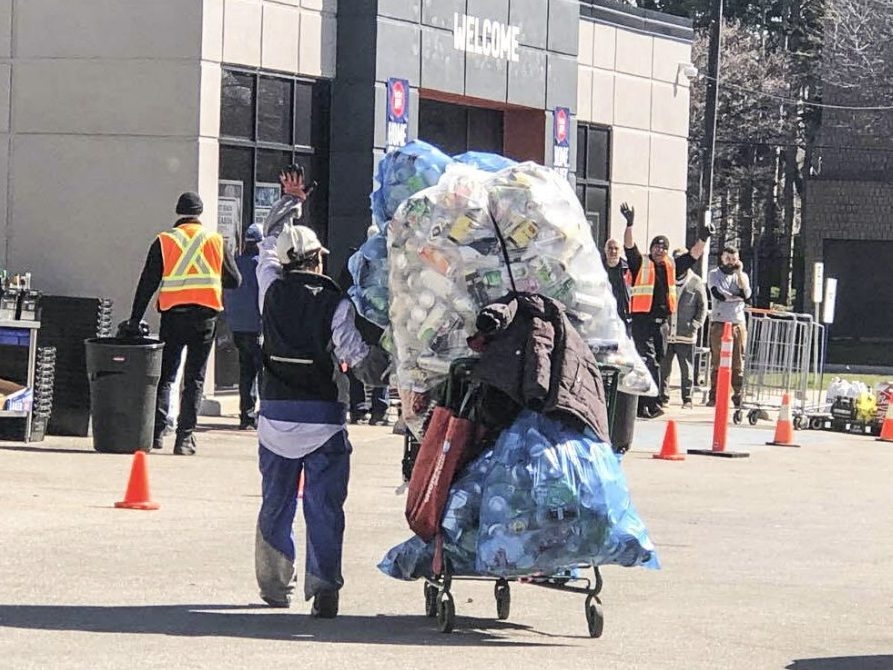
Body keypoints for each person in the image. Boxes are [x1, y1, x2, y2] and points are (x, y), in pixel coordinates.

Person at [254, 166, 388, 619]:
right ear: (316, 260)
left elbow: (267, 244)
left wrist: (291, 203)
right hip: (323, 417)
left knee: (276, 501)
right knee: (324, 506)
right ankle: (324, 587)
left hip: (274, 414)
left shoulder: (269, 289)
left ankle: (275, 587)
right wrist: (387, 361)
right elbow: (354, 354)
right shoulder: (336, 302)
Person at [125, 192, 241, 455]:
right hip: (205, 318)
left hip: (173, 316)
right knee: (195, 378)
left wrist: (135, 318)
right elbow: (235, 281)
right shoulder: (215, 240)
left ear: (178, 212)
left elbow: (147, 284)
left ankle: (156, 434)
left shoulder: (164, 241)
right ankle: (185, 439)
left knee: (166, 376)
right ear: (200, 213)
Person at [622, 202, 712, 418]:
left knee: (658, 361)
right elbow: (629, 247)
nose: (659, 250)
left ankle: (647, 403)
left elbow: (693, 255)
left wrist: (704, 237)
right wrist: (630, 224)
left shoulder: (672, 265)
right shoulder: (640, 263)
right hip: (642, 320)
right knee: (649, 360)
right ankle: (649, 403)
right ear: (651, 248)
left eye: (663, 247)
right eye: (656, 246)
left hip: (663, 323)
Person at [223, 223, 264, 430]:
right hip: (258, 327)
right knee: (264, 372)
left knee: (246, 371)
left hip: (238, 327)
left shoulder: (235, 263)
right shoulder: (262, 266)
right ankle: (264, 415)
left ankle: (246, 416)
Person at [659, 248, 708, 409]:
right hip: (667, 332)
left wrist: (695, 325)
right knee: (664, 367)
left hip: (685, 333)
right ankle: (663, 397)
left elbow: (703, 306)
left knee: (686, 368)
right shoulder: (666, 278)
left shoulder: (695, 281)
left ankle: (687, 398)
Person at [603, 235, 637, 454]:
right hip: (604, 319)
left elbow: (632, 251)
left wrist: (629, 227)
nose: (614, 251)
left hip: (624, 319)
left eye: (616, 248)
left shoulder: (626, 268)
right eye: (610, 248)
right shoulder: (598, 266)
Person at [707, 245, 752, 408]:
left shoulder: (742, 276)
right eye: (728, 259)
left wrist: (739, 273)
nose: (731, 262)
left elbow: (746, 295)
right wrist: (735, 297)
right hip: (720, 322)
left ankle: (738, 394)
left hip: (737, 323)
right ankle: (715, 395)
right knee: (718, 360)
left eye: (734, 259)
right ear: (722, 258)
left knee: (738, 361)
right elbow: (718, 294)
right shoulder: (714, 274)